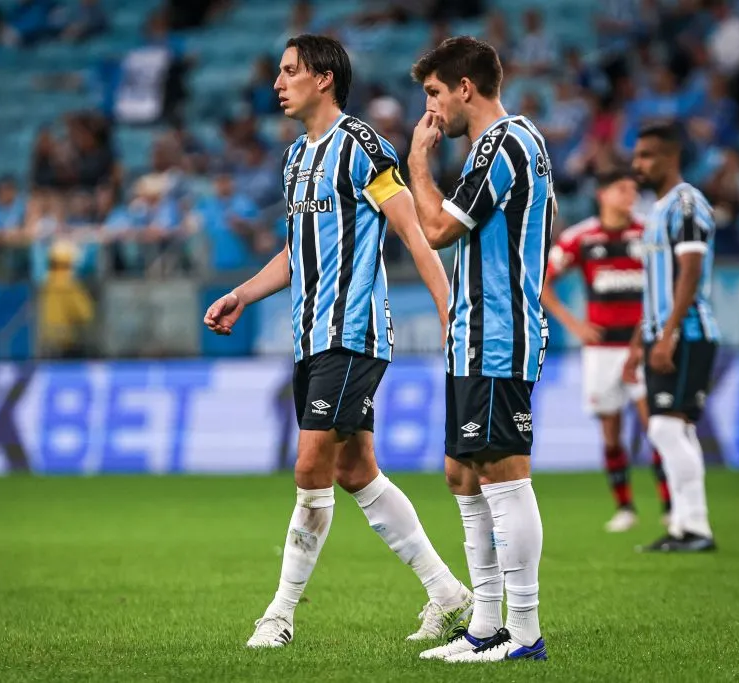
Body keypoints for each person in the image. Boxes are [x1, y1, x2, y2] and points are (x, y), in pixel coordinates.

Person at [202, 34, 472, 649]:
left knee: (310, 465)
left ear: (323, 78)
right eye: (278, 70)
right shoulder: (298, 158)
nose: (278, 81)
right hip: (310, 336)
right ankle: (446, 591)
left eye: (290, 70)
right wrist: (242, 294)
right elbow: (299, 252)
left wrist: (447, 307)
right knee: (355, 470)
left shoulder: (362, 148)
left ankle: (280, 614)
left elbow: (411, 229)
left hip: (353, 336)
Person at [408, 36, 552, 663]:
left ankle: (523, 634)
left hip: (498, 332)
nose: (432, 110)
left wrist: (417, 163)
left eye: (435, 94)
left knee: (501, 472)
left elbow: (436, 230)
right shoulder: (512, 146)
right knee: (462, 473)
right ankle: (486, 629)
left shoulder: (502, 144)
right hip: (473, 333)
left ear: (465, 87)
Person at [541, 168, 672, 533]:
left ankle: (670, 507)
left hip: (642, 347)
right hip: (601, 351)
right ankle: (625, 508)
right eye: (621, 189)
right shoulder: (580, 238)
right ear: (602, 194)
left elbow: (667, 286)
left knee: (656, 427)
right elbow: (541, 282)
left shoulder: (649, 233)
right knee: (611, 432)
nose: (630, 196)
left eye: (633, 189)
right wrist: (574, 325)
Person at [625, 122, 719, 553]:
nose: (636, 163)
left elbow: (691, 270)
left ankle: (696, 527)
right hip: (661, 333)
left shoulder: (685, 203)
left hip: (687, 332)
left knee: (665, 427)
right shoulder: (659, 208)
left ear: (669, 156)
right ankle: (684, 527)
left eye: (645, 155)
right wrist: (640, 344)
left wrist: (668, 334)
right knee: (676, 430)